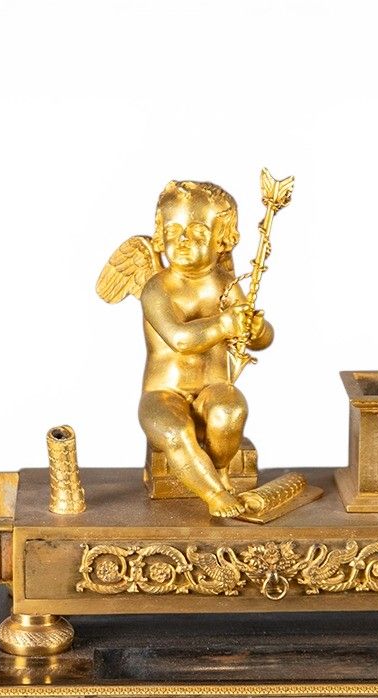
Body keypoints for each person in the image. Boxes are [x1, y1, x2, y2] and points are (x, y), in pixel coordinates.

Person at [136, 181, 273, 516]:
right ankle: (214, 494)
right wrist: (226, 324)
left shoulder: (225, 284)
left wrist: (256, 329)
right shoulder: (156, 289)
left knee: (230, 410)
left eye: (198, 233)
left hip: (213, 388)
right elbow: (180, 339)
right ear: (160, 235)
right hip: (162, 394)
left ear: (221, 239)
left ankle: (220, 469)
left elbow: (259, 340)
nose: (183, 241)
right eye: (173, 231)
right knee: (174, 430)